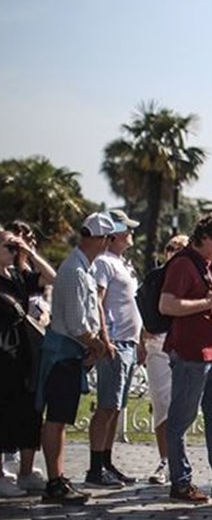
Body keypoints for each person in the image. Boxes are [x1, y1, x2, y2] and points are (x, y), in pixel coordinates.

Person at [39, 212, 116, 504]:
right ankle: (54, 481)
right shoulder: (74, 270)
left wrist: (93, 346)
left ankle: (58, 478)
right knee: (56, 419)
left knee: (61, 419)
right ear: (99, 239)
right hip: (64, 353)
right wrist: (96, 345)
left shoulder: (82, 268)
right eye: (108, 238)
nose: (108, 244)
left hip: (71, 353)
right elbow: (75, 323)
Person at [160, 211, 212, 503]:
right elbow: (167, 304)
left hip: (209, 354)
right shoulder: (183, 263)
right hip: (191, 354)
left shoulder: (205, 264)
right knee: (181, 419)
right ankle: (180, 482)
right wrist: (208, 302)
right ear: (205, 238)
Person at [86, 209, 143, 488]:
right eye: (127, 229)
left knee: (117, 407)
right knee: (107, 406)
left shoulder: (122, 263)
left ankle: (106, 462)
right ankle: (95, 467)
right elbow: (98, 300)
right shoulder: (104, 263)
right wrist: (105, 338)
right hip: (115, 342)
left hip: (128, 342)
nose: (131, 233)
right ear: (115, 233)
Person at [0, 228, 54, 497]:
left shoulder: (17, 275)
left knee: (27, 410)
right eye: (7, 246)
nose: (12, 251)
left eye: (13, 247)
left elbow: (50, 277)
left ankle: (25, 472)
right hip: (3, 351)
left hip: (22, 354)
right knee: (4, 413)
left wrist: (29, 253)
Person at [142, 234, 188, 485]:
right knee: (162, 404)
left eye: (180, 248)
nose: (173, 252)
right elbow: (143, 307)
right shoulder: (155, 277)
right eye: (170, 248)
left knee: (181, 406)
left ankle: (178, 460)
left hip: (183, 345)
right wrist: (142, 337)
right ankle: (165, 460)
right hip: (157, 345)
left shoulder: (192, 276)